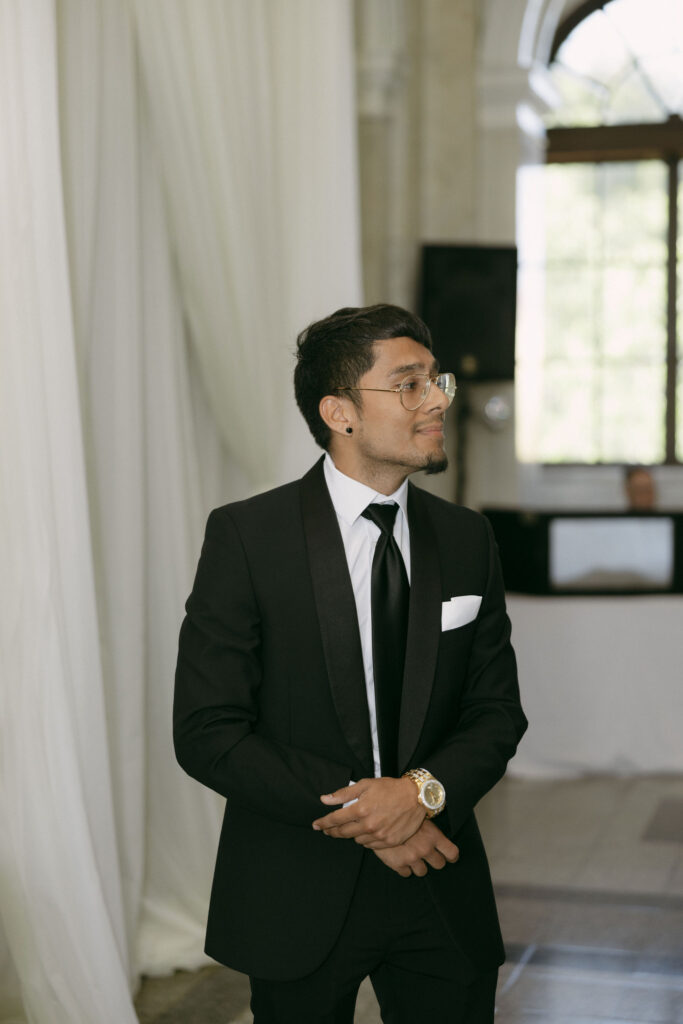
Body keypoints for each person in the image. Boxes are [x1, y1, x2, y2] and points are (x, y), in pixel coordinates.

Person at [174, 303, 527, 1023]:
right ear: (339, 411)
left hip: (439, 881)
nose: (434, 401)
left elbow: (495, 712)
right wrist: (377, 814)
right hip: (296, 886)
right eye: (407, 384)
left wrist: (421, 795)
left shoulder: (466, 538)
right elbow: (209, 729)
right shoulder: (247, 538)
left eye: (435, 382)